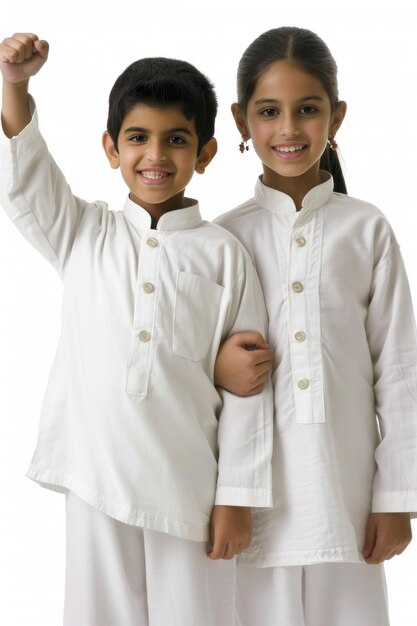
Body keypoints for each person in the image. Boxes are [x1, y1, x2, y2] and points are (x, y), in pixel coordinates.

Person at [0, 33, 274, 626]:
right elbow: (25, 176)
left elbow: (250, 388)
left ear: (204, 153)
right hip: (94, 478)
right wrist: (15, 85)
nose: (156, 154)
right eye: (137, 138)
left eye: (176, 139)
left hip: (189, 488)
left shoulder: (225, 255)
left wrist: (237, 498)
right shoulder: (81, 233)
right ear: (110, 147)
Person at [214, 26, 417, 626]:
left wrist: (397, 499)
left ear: (338, 116)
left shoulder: (367, 230)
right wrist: (217, 367)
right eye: (269, 111)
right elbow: (186, 360)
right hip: (249, 506)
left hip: (346, 501)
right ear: (240, 120)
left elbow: (400, 372)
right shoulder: (222, 238)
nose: (289, 129)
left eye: (308, 110)